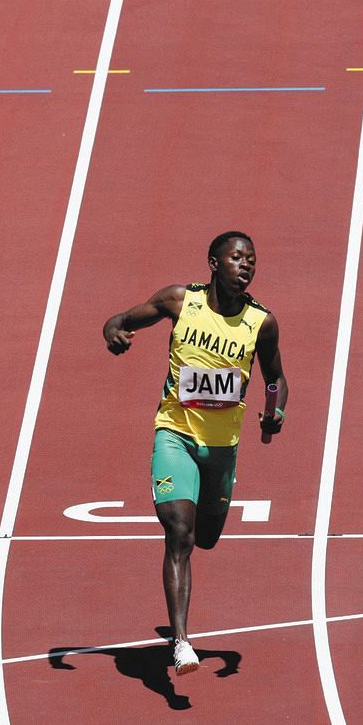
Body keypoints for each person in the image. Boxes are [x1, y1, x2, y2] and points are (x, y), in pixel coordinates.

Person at [103, 231, 287, 675]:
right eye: (237, 258)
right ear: (213, 262)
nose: (246, 267)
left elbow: (276, 378)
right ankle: (182, 642)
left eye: (252, 261)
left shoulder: (261, 322)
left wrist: (274, 412)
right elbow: (121, 319)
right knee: (179, 533)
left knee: (205, 537)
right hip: (175, 434)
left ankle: (180, 628)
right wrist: (113, 331)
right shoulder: (179, 301)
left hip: (222, 448)